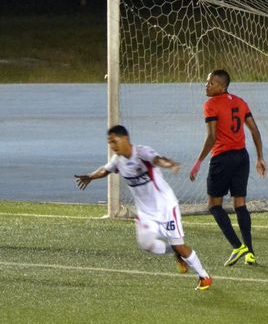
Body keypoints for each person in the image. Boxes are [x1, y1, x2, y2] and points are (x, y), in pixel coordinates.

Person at [75, 125, 212, 291]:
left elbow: (157, 159)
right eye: (109, 142)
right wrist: (90, 177)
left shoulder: (142, 153)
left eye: (114, 141)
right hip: (146, 213)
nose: (112, 146)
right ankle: (175, 252)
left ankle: (204, 276)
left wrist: (169, 164)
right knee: (146, 245)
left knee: (181, 246)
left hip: (166, 207)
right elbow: (105, 170)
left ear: (125, 138)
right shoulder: (118, 160)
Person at [189, 69, 267, 266]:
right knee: (239, 204)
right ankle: (250, 252)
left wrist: (198, 162)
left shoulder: (211, 105)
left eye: (212, 83)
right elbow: (255, 130)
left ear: (222, 87)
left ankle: (237, 245)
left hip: (222, 159)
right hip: (242, 157)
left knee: (214, 205)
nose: (207, 85)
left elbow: (212, 137)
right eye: (207, 82)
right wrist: (260, 157)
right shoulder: (240, 102)